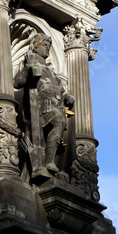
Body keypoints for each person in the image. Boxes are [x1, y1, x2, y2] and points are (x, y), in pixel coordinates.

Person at [14, 33, 74, 178]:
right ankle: (49, 162)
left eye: (49, 46)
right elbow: (17, 82)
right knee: (58, 119)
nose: (47, 49)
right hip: (40, 107)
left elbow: (59, 90)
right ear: (35, 47)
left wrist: (66, 97)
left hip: (55, 105)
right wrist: (29, 68)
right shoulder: (32, 64)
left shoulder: (52, 72)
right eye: (44, 45)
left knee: (59, 123)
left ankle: (50, 162)